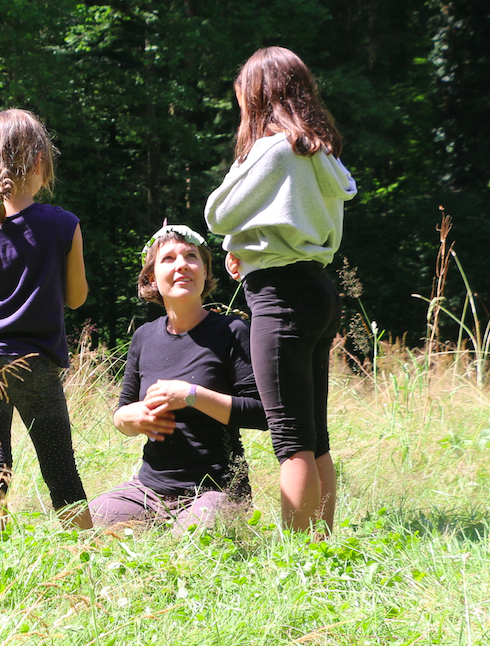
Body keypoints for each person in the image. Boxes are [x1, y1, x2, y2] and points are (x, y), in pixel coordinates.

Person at [205, 46, 357, 533]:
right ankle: (323, 544)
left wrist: (238, 239)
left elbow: (217, 213)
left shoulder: (271, 150)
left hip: (280, 299)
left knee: (291, 439)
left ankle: (299, 559)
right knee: (316, 436)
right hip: (316, 289)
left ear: (258, 96)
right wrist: (248, 250)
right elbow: (295, 220)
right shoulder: (320, 152)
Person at [0, 108, 92, 535]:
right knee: (59, 467)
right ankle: (86, 555)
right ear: (40, 163)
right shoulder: (63, 224)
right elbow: (76, 298)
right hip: (36, 359)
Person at [90, 225, 267, 530]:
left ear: (204, 271)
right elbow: (122, 414)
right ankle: (159, 523)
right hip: (148, 490)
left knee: (198, 537)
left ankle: (196, 524)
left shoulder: (231, 331)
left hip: (215, 489)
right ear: (151, 279)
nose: (182, 264)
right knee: (89, 520)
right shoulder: (144, 337)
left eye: (191, 256)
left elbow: (261, 413)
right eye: (168, 258)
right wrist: (129, 418)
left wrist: (192, 395)